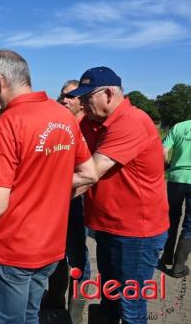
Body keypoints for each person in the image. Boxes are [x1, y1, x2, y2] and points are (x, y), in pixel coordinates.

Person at [0, 50, 98, 324]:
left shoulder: (9, 122)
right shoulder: (63, 115)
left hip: (14, 249)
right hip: (51, 246)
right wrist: (47, 184)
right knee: (31, 316)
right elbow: (89, 173)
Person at [69, 66, 169, 324]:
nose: (82, 103)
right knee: (111, 297)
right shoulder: (92, 122)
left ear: (109, 94)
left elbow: (90, 173)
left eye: (87, 97)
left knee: (130, 306)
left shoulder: (131, 122)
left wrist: (35, 194)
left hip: (135, 233)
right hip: (108, 226)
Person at [42, 80, 92, 324]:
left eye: (70, 97)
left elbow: (91, 177)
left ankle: (76, 314)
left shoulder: (89, 129)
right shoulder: (60, 126)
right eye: (62, 96)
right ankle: (54, 303)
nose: (64, 100)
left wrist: (58, 193)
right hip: (57, 202)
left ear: (82, 101)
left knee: (78, 257)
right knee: (57, 254)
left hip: (76, 202)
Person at [160, 120, 191, 278]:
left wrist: (166, 166)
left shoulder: (180, 127)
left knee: (171, 217)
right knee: (190, 224)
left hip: (176, 179)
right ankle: (178, 267)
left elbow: (163, 150)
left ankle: (166, 256)